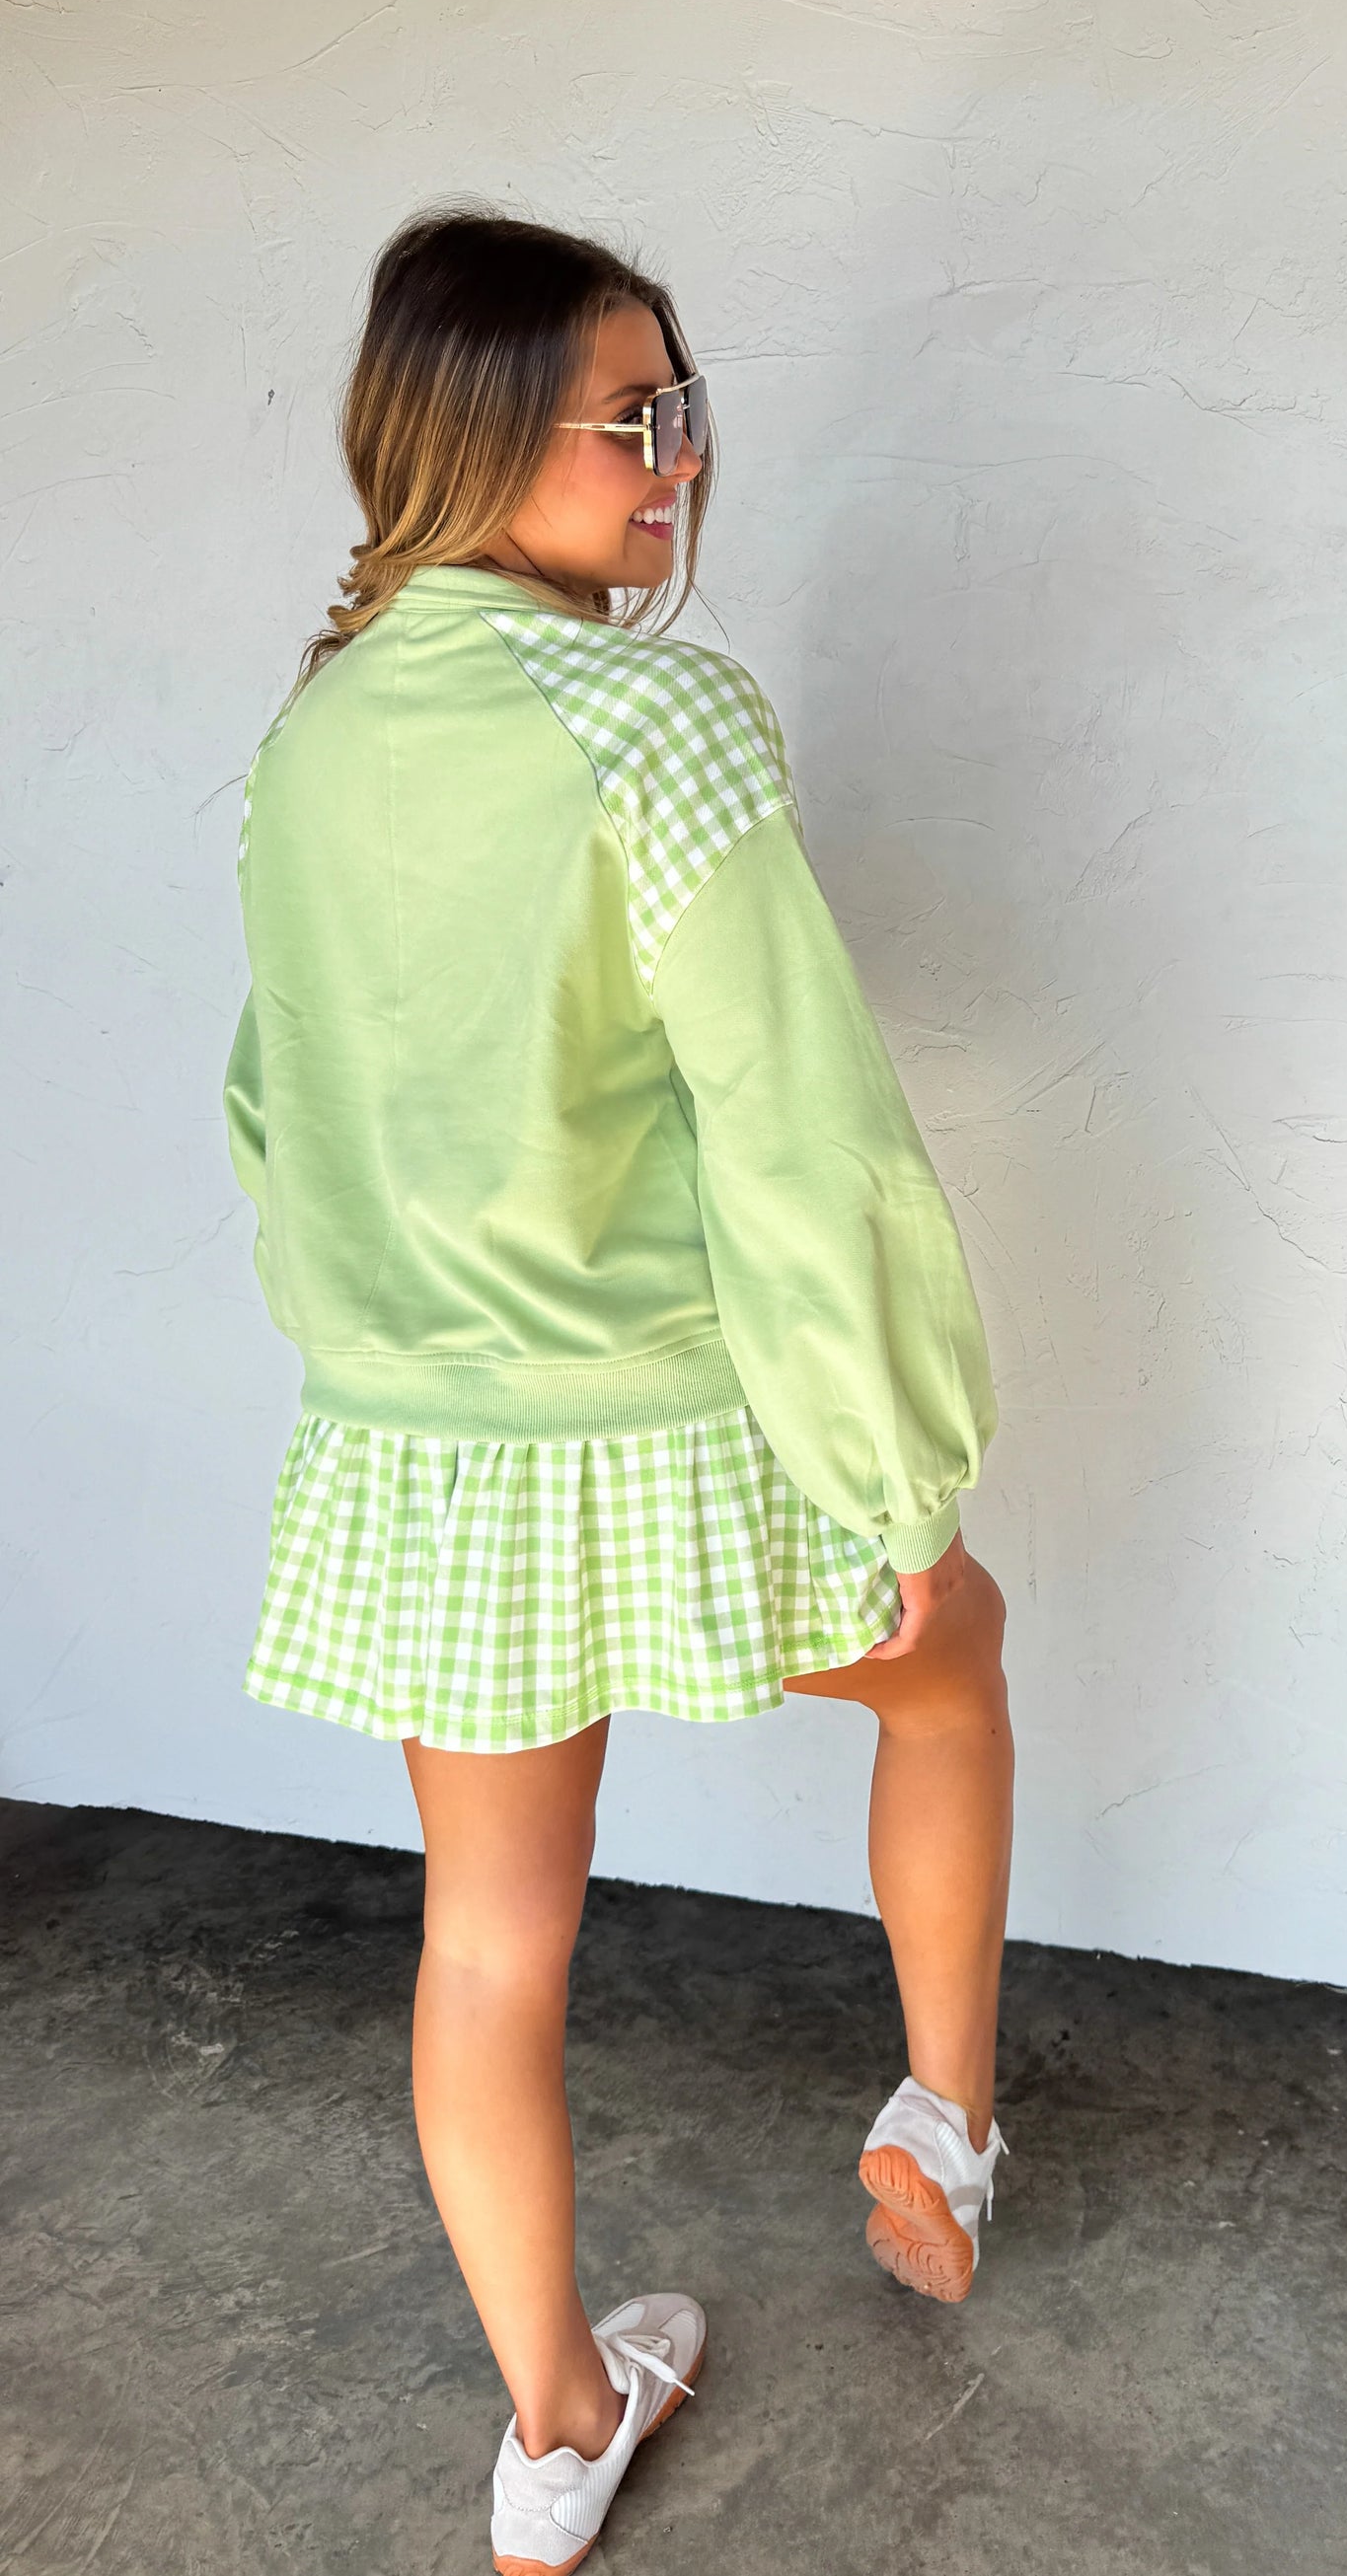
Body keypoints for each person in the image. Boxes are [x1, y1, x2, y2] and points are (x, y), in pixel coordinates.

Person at [220, 206, 1011, 2576]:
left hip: (429, 1462)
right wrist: (888, 1462)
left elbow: (271, 1107)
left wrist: (386, 1348)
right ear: (476, 432)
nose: (680, 459)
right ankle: (946, 2117)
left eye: (684, 409)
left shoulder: (308, 745)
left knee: (490, 1937)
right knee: (950, 1661)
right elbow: (799, 1133)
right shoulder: (654, 721)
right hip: (674, 1429)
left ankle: (557, 2431)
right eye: (631, 417)